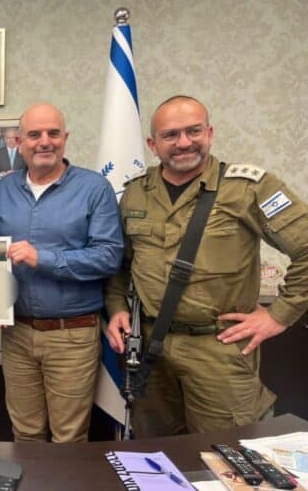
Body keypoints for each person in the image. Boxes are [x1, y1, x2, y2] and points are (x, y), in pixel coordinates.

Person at [105, 95, 308, 436]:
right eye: (171, 135)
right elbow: (121, 264)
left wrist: (278, 315)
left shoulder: (248, 189)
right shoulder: (136, 193)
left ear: (210, 133)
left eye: (193, 131)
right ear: (153, 144)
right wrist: (116, 308)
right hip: (150, 350)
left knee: (226, 453)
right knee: (155, 452)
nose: (184, 142)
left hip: (218, 349)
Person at [0, 102, 123, 443]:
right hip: (16, 335)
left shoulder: (94, 188)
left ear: (65, 138)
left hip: (70, 335)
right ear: (19, 142)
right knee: (25, 435)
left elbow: (108, 257)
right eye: (34, 134)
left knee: (68, 439)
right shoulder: (5, 189)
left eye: (53, 133)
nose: (44, 141)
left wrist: (41, 258)